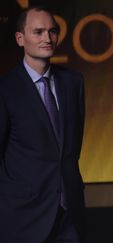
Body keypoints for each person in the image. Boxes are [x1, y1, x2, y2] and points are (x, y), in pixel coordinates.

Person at [0, 6, 86, 243]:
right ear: (20, 38)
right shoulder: (5, 89)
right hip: (22, 217)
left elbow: (72, 147)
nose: (47, 38)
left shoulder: (73, 82)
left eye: (52, 31)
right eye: (38, 32)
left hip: (69, 214)